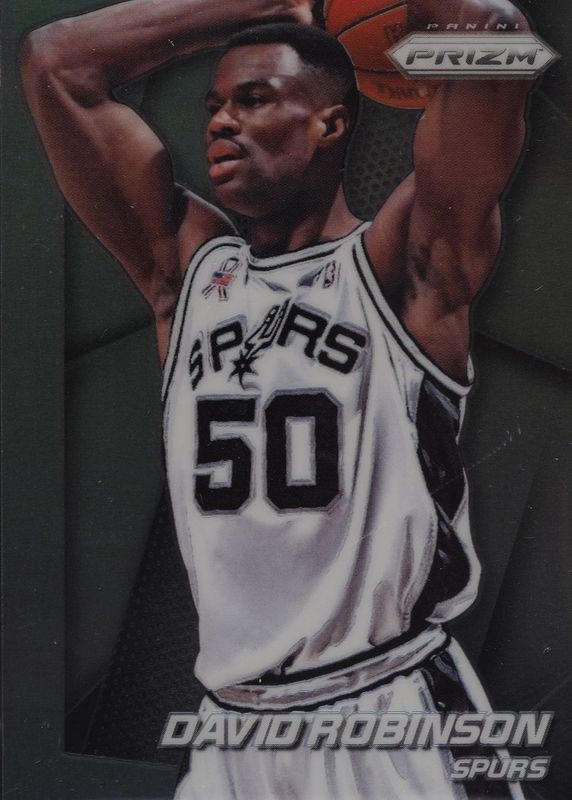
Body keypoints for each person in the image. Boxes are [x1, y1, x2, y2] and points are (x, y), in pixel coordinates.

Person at [21, 0, 532, 797]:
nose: (221, 121)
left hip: (385, 712)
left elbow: (493, 32)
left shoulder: (401, 268)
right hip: (232, 731)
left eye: (253, 99)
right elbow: (54, 62)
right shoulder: (188, 276)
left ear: (330, 124)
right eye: (215, 105)